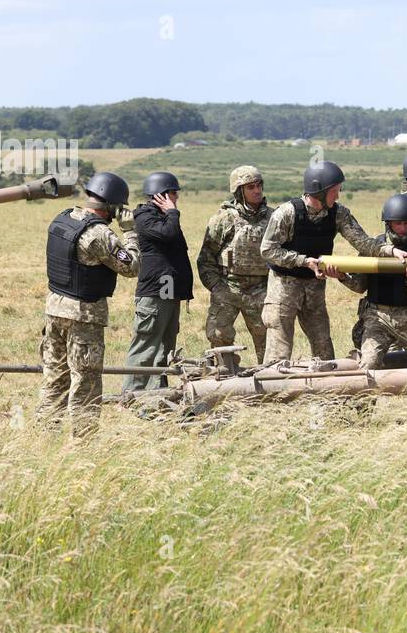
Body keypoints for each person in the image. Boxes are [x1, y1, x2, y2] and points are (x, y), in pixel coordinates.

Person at [260, 161, 407, 362]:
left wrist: (392, 251)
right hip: (283, 287)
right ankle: (273, 392)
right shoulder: (287, 213)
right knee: (279, 351)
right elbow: (268, 250)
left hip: (314, 288)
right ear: (319, 191)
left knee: (323, 347)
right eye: (334, 191)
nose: (337, 196)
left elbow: (363, 243)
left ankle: (329, 391)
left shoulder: (338, 213)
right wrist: (303, 261)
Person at [37, 171, 139, 437]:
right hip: (83, 316)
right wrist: (129, 232)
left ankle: (44, 436)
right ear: (113, 206)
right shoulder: (98, 234)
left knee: (54, 378)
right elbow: (131, 266)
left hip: (54, 309)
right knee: (86, 382)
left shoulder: (63, 218)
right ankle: (83, 442)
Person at [341, 194, 407, 370]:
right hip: (377, 319)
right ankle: (363, 398)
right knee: (368, 366)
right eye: (398, 223)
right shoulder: (373, 248)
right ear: (388, 223)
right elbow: (360, 286)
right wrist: (342, 276)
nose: (403, 228)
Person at [122, 171, 191, 393]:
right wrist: (172, 213)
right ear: (160, 195)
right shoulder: (144, 216)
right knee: (146, 345)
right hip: (156, 291)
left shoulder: (164, 216)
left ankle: (155, 393)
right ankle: (131, 394)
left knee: (164, 347)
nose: (176, 198)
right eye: (172, 193)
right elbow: (167, 235)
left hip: (169, 289)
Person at [197, 165, 271, 368]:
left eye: (259, 186)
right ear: (239, 191)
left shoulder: (273, 218)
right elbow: (205, 259)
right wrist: (217, 287)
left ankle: (270, 382)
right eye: (250, 187)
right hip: (228, 287)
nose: (257, 191)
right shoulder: (224, 219)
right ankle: (224, 377)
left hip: (261, 290)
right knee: (219, 336)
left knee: (268, 339)